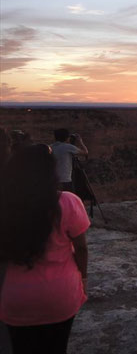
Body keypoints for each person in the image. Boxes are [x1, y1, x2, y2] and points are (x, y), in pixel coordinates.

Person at [0, 144, 90, 354]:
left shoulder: (5, 206)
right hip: (59, 296)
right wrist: (83, 278)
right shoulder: (68, 202)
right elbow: (81, 248)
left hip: (17, 299)